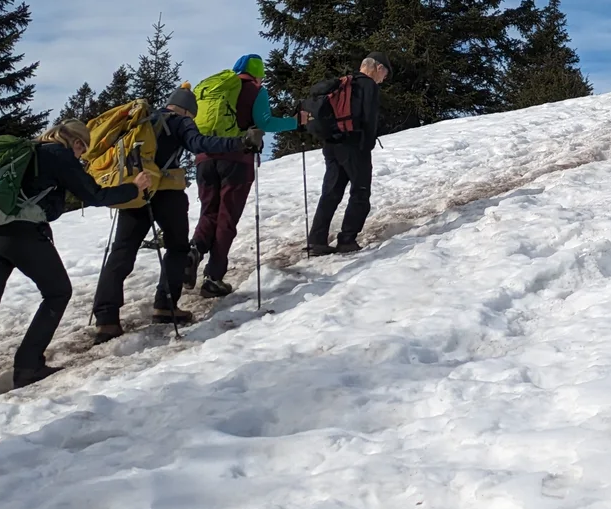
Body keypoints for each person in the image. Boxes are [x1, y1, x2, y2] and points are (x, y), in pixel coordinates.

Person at [0, 121, 152, 410]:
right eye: (82, 149)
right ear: (74, 141)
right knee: (58, 292)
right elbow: (94, 194)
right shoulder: (57, 154)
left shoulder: (25, 153)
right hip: (22, 235)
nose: (80, 155)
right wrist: (133, 188)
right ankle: (28, 365)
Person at [90, 86, 251, 339]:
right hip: (167, 195)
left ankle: (106, 318)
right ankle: (165, 306)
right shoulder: (180, 122)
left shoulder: (142, 121)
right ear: (188, 110)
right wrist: (239, 142)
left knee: (122, 251)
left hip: (136, 191)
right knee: (177, 248)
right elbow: (200, 144)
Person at [188, 53, 307, 297]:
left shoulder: (217, 89)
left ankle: (193, 252)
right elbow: (266, 122)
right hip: (236, 160)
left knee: (209, 212)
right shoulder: (255, 90)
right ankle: (213, 278)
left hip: (205, 158)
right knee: (227, 217)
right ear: (258, 74)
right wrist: (296, 121)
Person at [305, 55, 389, 256]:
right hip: (353, 145)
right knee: (360, 191)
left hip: (331, 144)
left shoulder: (343, 83)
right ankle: (347, 240)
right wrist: (367, 144)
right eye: (384, 74)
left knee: (331, 192)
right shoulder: (368, 85)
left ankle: (316, 241)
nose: (383, 79)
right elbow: (369, 117)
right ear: (378, 67)